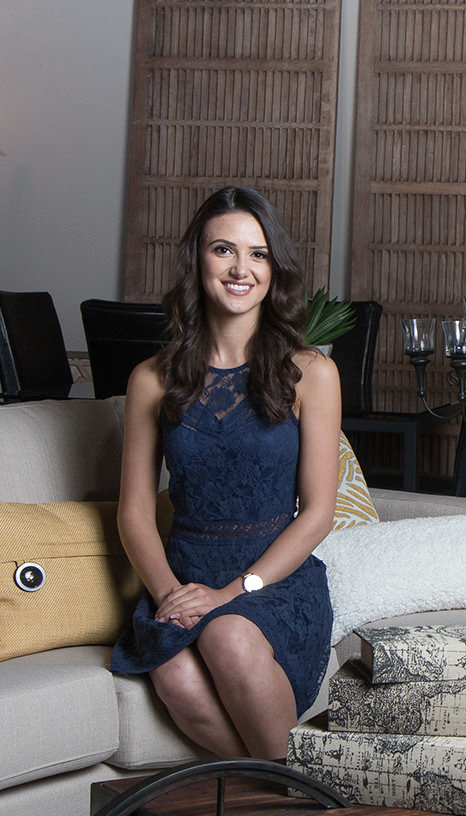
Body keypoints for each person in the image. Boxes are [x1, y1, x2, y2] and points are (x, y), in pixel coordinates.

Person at [111, 186, 341, 760]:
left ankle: (293, 811)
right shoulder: (151, 380)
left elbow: (318, 512)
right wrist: (170, 595)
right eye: (224, 250)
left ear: (274, 269)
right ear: (199, 261)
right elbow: (135, 512)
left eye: (258, 254)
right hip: (184, 576)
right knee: (175, 678)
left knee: (229, 635)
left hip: (273, 581)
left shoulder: (311, 372)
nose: (242, 269)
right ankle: (286, 793)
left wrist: (234, 593)